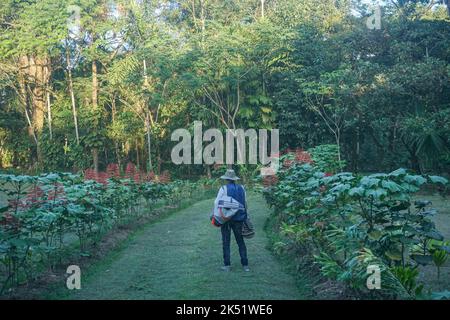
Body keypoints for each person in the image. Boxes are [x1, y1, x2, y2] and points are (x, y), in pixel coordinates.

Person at [214, 169, 249, 272]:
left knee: (226, 242)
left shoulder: (223, 189)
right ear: (234, 179)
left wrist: (216, 216)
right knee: (240, 241)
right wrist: (247, 216)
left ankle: (227, 265)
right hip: (239, 219)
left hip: (226, 219)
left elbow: (217, 203)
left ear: (226, 179)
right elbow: (245, 203)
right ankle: (245, 265)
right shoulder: (242, 188)